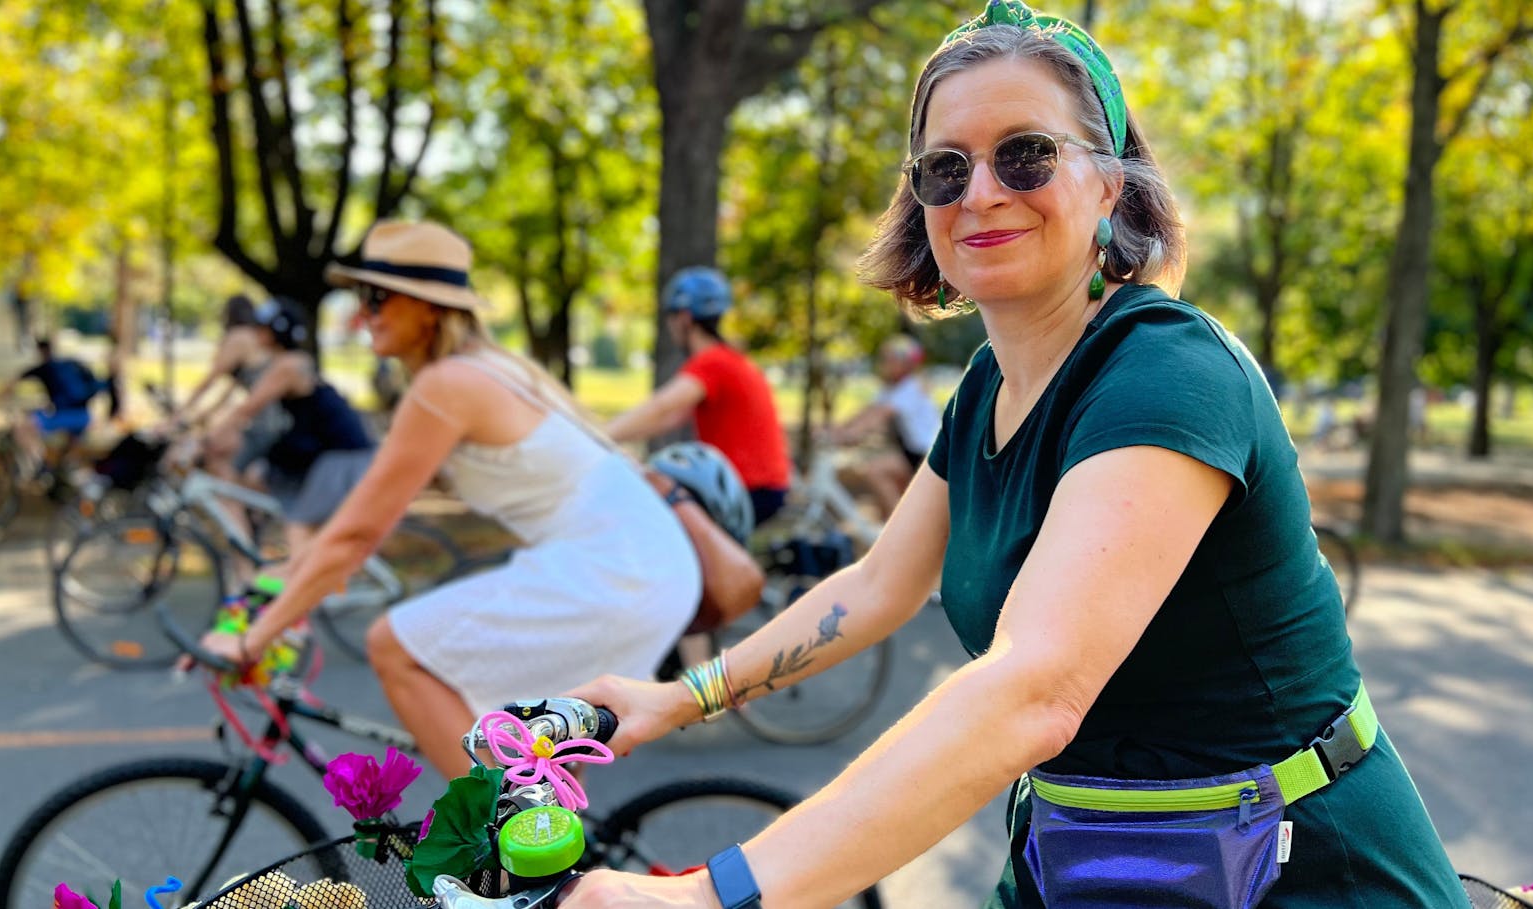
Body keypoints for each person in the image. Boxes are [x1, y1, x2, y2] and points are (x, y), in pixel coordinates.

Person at [561, 3, 1470, 907]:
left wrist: (709, 894)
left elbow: (1034, 690)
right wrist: (680, 698)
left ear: (1110, 185)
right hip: (1080, 857)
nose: (981, 192)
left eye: (1026, 153)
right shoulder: (990, 384)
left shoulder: (1169, 370)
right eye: (945, 168)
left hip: (1296, 872)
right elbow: (878, 587)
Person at [191, 221, 701, 779]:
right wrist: (272, 588)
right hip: (644, 567)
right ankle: (549, 851)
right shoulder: (484, 370)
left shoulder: (447, 386)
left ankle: (509, 843)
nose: (365, 314)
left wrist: (254, 640)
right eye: (361, 296)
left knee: (394, 647)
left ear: (430, 308)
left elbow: (354, 537)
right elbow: (364, 523)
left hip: (613, 571)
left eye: (379, 297)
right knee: (542, 768)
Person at [605, 266, 792, 526]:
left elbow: (661, 408)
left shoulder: (712, 362)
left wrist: (598, 435)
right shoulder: (732, 359)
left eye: (670, 317)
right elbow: (667, 420)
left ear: (684, 317)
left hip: (745, 489)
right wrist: (614, 439)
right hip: (765, 488)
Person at [204, 298, 374, 555]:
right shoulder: (285, 362)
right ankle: (274, 570)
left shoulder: (288, 365)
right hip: (316, 451)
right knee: (254, 478)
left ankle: (305, 591)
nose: (255, 333)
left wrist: (207, 439)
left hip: (342, 455)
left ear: (275, 334)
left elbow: (249, 407)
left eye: (261, 328)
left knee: (299, 527)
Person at [173, 294, 288, 484]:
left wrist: (178, 414)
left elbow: (210, 381)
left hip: (266, 421)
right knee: (225, 466)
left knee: (214, 460)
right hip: (272, 418)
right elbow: (228, 391)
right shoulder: (255, 337)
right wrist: (203, 415)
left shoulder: (239, 337)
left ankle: (232, 510)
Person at [824, 334, 940, 517]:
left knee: (874, 471)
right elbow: (868, 412)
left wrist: (849, 434)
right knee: (900, 492)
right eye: (884, 359)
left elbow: (879, 415)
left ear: (906, 365)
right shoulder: (893, 388)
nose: (884, 364)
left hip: (925, 454)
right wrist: (838, 430)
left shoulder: (911, 387)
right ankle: (895, 523)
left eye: (890, 360)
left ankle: (899, 527)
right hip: (910, 451)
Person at [0, 336, 105, 470]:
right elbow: (96, 385)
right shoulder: (71, 363)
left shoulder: (45, 368)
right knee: (68, 452)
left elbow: (10, 387)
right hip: (84, 415)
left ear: (40, 351)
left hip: (67, 415)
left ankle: (39, 466)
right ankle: (62, 472)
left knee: (24, 425)